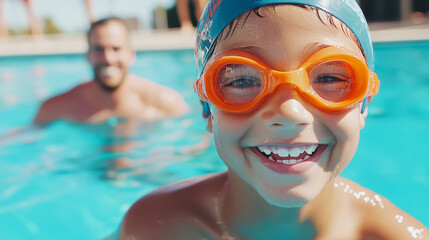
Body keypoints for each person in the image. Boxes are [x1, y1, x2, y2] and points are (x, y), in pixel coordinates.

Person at [119, 0, 427, 239]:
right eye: (241, 80)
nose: (290, 113)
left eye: (330, 76)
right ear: (207, 109)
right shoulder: (154, 227)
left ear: (363, 104)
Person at [33, 17, 189, 124]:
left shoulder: (166, 102)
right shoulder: (56, 108)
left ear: (131, 55)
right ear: (88, 56)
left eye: (116, 48)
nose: (108, 58)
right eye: (99, 49)